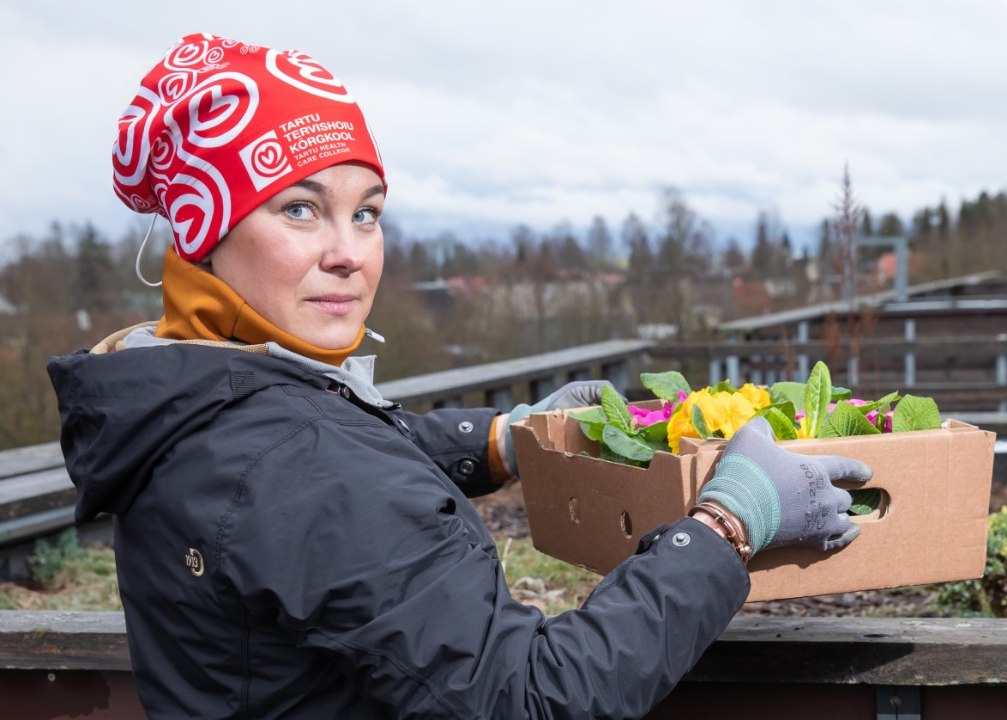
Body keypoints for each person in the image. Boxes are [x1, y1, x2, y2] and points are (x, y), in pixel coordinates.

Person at [47, 32, 872, 719]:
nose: (348, 252)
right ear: (206, 230)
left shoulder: (177, 393)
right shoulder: (299, 463)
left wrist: (502, 439)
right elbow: (534, 697)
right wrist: (726, 526)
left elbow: (317, 468)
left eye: (366, 211)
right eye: (298, 208)